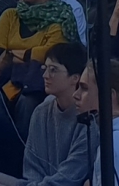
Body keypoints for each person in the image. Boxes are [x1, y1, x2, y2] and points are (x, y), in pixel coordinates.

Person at [23, 42, 96, 186]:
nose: (45, 75)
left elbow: (72, 176)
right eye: (45, 68)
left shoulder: (88, 118)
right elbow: (31, 167)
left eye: (53, 70)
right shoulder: (40, 112)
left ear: (75, 78)